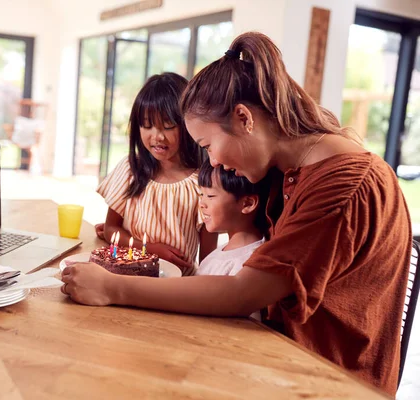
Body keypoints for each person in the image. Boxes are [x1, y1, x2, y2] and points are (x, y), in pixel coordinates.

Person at [61, 32, 411, 395]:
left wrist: (113, 287)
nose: (212, 162)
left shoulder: (343, 184)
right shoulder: (288, 168)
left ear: (244, 118)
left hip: (326, 380)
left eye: (208, 145)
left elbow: (243, 293)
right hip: (277, 353)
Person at [94, 72, 218, 274]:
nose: (157, 136)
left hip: (176, 287)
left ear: (188, 125)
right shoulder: (130, 169)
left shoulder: (203, 183)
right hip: (125, 277)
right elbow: (111, 229)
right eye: (147, 125)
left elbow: (207, 260)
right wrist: (149, 249)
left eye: (168, 126)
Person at [196, 162, 270, 320]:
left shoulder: (250, 263)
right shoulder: (218, 254)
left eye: (210, 196)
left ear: (248, 203)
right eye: (200, 195)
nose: (202, 204)